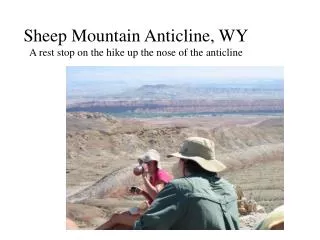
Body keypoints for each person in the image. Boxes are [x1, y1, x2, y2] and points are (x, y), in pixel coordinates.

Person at [134, 137, 240, 230]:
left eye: (180, 159)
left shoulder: (181, 187)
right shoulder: (228, 188)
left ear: (184, 162)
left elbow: (147, 227)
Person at [96, 149, 173, 230]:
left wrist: (144, 178)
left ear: (155, 163)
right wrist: (143, 193)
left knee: (116, 218)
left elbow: (157, 196)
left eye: (149, 163)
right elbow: (155, 200)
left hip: (158, 217)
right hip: (156, 214)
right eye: (144, 163)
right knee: (120, 226)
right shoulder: (153, 176)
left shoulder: (160, 175)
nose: (145, 165)